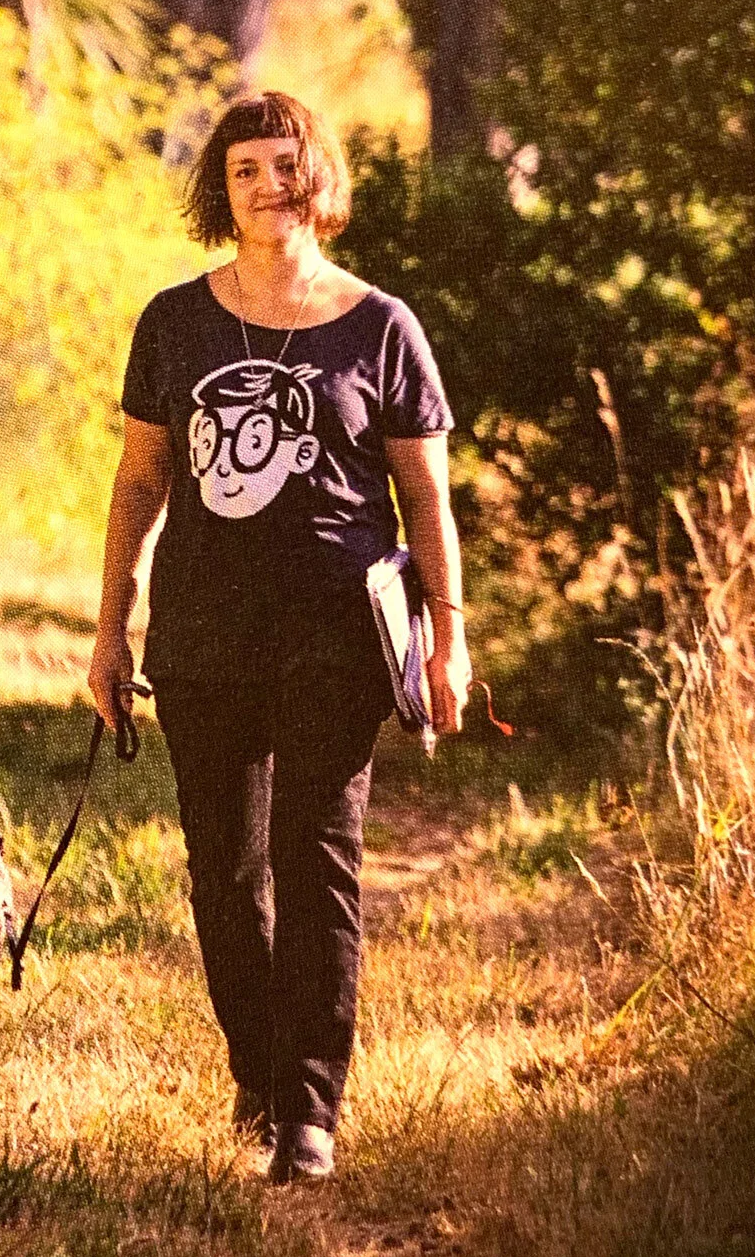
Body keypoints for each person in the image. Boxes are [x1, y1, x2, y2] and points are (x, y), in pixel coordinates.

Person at [87, 90, 470, 1185]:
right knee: (224, 872)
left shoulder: (378, 325)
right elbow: (139, 478)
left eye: (283, 164)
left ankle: (308, 1110)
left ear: (317, 178)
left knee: (319, 862)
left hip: (334, 637)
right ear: (222, 187)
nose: (266, 184)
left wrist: (448, 634)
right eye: (244, 167)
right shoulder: (174, 321)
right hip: (202, 635)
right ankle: (256, 1070)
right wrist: (109, 629)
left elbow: (425, 496)